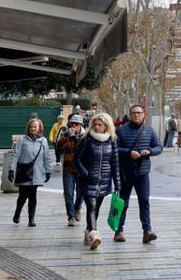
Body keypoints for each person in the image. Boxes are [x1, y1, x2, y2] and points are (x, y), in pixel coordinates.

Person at [115, 105, 162, 243]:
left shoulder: (149, 130)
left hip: (143, 173)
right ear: (129, 115)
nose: (136, 115)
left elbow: (159, 146)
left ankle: (147, 231)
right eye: (133, 113)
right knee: (122, 203)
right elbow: (113, 149)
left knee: (144, 201)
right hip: (125, 174)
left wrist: (150, 151)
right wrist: (129, 153)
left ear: (143, 115)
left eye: (139, 113)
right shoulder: (121, 130)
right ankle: (118, 231)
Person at [75, 113, 121, 251]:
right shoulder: (86, 140)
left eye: (99, 125)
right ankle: (95, 235)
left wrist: (117, 184)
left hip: (104, 182)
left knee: (96, 209)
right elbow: (76, 160)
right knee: (92, 207)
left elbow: (115, 163)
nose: (96, 127)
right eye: (94, 124)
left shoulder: (112, 141)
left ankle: (88, 231)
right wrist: (86, 173)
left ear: (106, 126)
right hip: (88, 181)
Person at [12, 117, 53, 227]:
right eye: (31, 127)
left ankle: (31, 219)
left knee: (33, 196)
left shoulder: (43, 141)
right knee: (22, 195)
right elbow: (16, 155)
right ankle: (17, 213)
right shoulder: (23, 140)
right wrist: (12, 169)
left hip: (37, 173)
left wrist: (48, 171)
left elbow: (46, 157)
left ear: (39, 128)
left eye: (35, 127)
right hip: (24, 172)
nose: (33, 128)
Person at [57, 114, 87, 226]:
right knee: (68, 194)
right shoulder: (65, 134)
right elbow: (58, 146)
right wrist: (68, 136)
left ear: (81, 125)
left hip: (81, 169)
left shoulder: (86, 136)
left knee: (81, 193)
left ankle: (78, 207)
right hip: (68, 168)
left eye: (76, 124)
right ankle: (71, 216)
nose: (73, 126)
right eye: (71, 124)